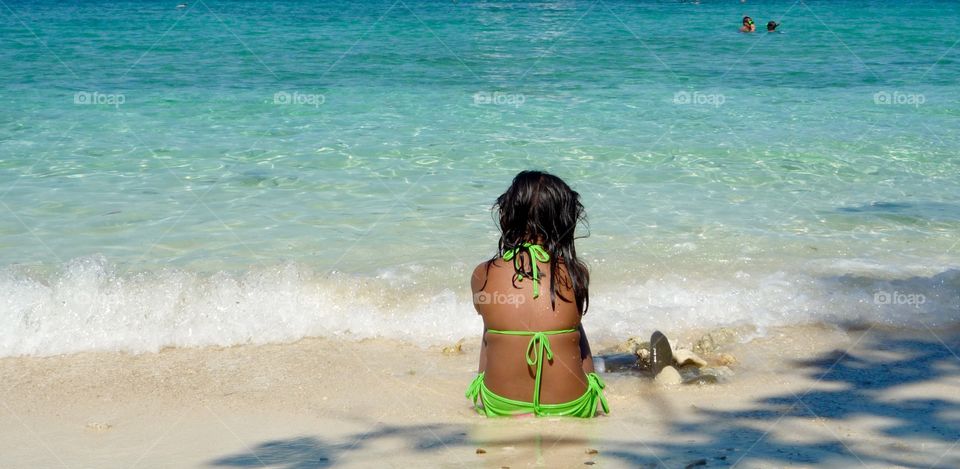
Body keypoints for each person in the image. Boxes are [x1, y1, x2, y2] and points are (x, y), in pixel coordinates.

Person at [466, 171, 609, 418]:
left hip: (499, 404)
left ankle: (486, 391)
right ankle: (589, 387)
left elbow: (490, 335)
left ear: (507, 216)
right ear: (564, 221)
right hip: (572, 406)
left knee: (492, 325)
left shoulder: (483, 274)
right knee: (575, 325)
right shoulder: (576, 273)